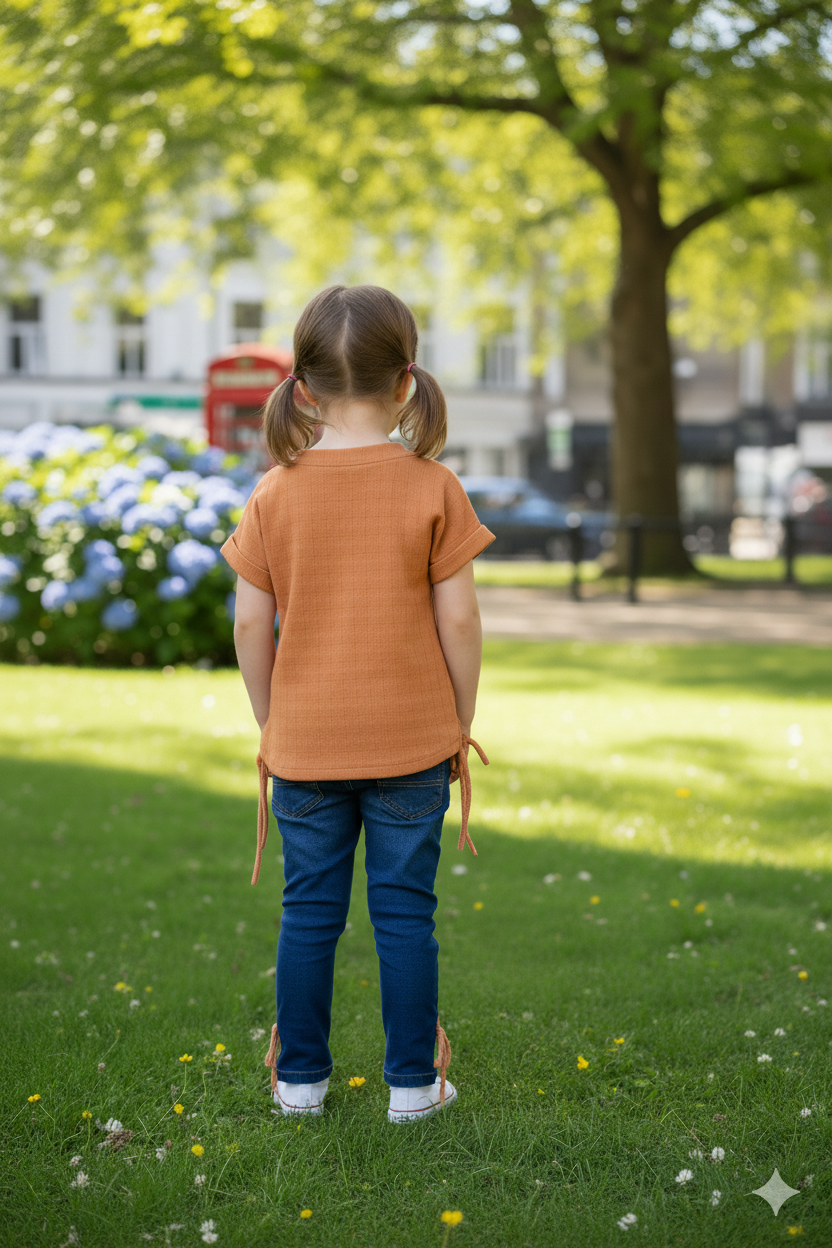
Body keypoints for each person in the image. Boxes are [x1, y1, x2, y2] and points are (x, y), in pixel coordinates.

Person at [222, 284, 494, 1124]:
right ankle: (413, 1086)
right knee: (406, 915)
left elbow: (248, 624)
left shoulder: (275, 492)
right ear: (406, 380)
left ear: (301, 386)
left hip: (306, 744)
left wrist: (275, 722)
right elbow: (460, 617)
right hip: (413, 743)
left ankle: (300, 1081)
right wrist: (460, 718)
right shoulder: (433, 485)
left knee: (309, 914)